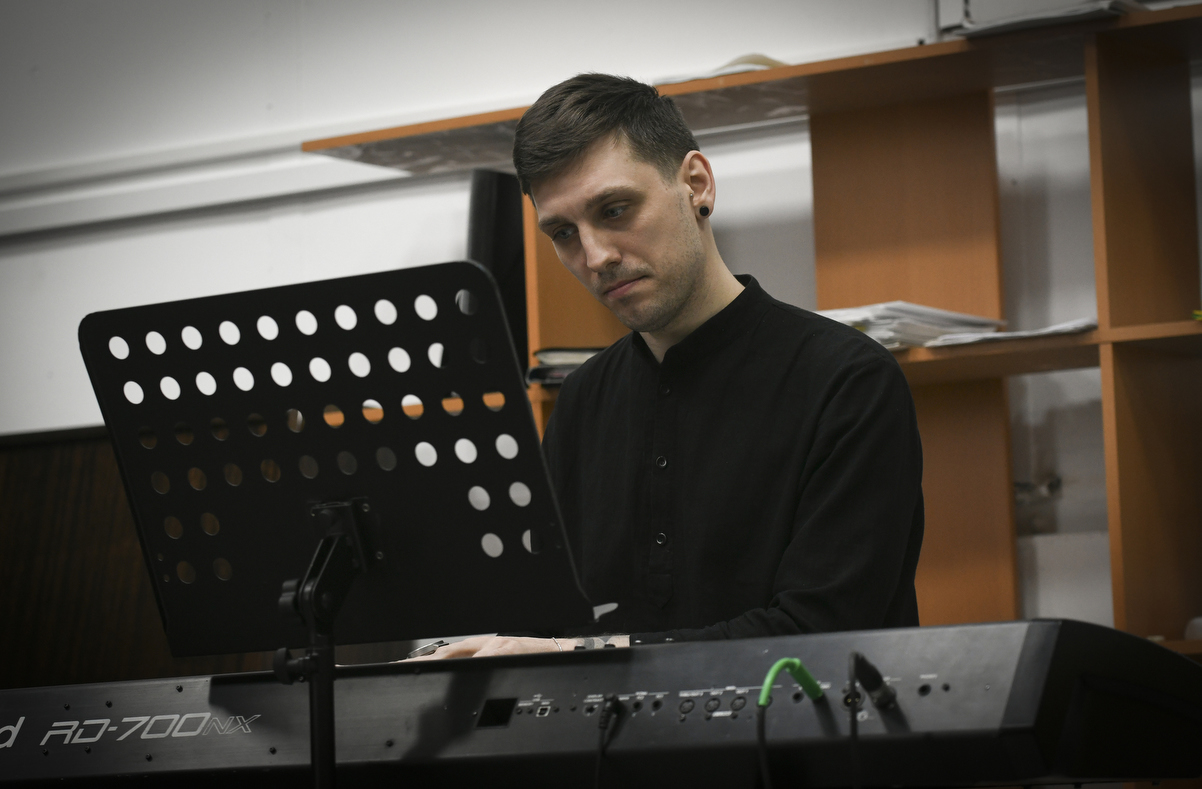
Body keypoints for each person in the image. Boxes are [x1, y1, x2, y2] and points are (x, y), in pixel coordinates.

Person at [414, 73, 924, 661]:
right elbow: (549, 619)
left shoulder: (848, 381)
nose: (596, 256)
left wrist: (573, 653)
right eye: (563, 232)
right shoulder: (580, 399)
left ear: (696, 185)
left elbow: (820, 633)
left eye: (615, 209)